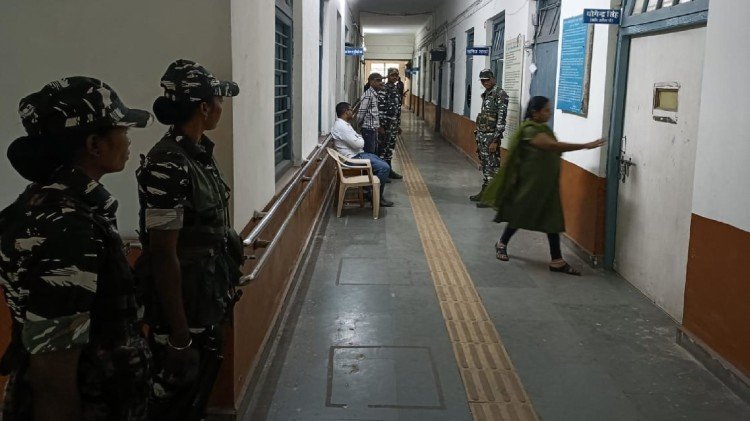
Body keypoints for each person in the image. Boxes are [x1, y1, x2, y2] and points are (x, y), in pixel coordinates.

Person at [0, 77, 152, 420]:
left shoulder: (62, 205)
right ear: (94, 144)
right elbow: (52, 374)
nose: (128, 138)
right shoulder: (67, 227)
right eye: (122, 129)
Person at [135, 59, 242, 420]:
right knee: (172, 402)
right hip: (183, 308)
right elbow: (163, 253)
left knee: (196, 394)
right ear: (204, 108)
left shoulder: (198, 155)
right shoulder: (169, 163)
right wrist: (179, 335)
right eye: (219, 100)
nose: (222, 108)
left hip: (206, 296)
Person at [481, 96, 605, 275]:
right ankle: (501, 243)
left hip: (546, 185)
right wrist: (585, 145)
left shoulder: (542, 128)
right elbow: (552, 146)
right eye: (546, 110)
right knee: (519, 214)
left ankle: (557, 261)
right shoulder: (530, 130)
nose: (549, 113)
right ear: (535, 112)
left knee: (552, 219)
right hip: (530, 185)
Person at [331, 102, 394, 207]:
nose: (352, 112)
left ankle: (371, 192)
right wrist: (360, 139)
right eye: (351, 110)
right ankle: (376, 197)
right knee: (384, 168)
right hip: (352, 159)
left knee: (379, 160)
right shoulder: (341, 127)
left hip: (357, 155)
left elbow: (358, 140)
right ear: (346, 112)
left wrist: (359, 139)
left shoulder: (344, 124)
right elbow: (359, 144)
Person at [471, 69, 509, 208]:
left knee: (493, 167)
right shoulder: (487, 94)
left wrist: (495, 140)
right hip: (483, 136)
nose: (485, 83)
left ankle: (493, 198)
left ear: (493, 78)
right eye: (482, 80)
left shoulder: (500, 94)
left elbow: (501, 119)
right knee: (486, 166)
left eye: (487, 80)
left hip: (491, 137)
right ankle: (485, 193)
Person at [377, 68, 403, 180]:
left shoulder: (396, 89)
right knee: (383, 148)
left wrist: (398, 125)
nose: (394, 77)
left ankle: (389, 171)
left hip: (393, 124)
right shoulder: (384, 89)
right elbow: (380, 108)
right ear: (388, 76)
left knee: (390, 148)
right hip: (386, 124)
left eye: (396, 75)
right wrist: (381, 125)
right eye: (392, 75)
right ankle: (382, 173)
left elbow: (398, 108)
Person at [357, 73, 384, 155]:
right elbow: (361, 113)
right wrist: (359, 125)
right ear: (371, 82)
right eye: (378, 80)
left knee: (373, 152)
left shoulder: (374, 94)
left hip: (373, 129)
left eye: (381, 80)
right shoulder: (368, 95)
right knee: (369, 153)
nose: (380, 83)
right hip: (368, 130)